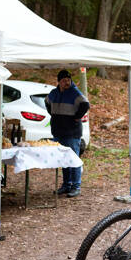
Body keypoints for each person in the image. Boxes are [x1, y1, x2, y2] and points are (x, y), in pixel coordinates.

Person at [45, 69, 89, 198]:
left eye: (68, 80)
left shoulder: (75, 93)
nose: (67, 83)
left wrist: (77, 116)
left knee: (74, 159)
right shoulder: (53, 93)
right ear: (58, 82)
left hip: (72, 132)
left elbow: (86, 104)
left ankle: (76, 186)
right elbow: (46, 102)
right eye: (64, 80)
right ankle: (66, 184)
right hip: (58, 131)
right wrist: (53, 114)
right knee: (63, 159)